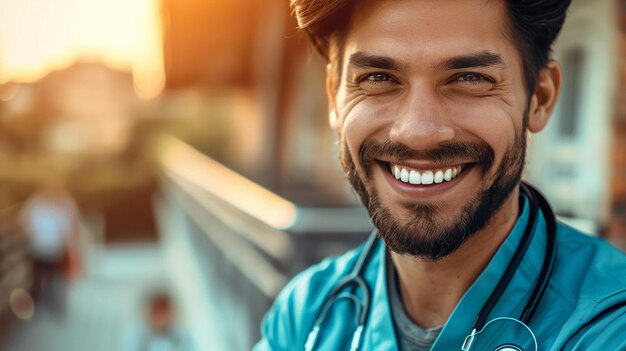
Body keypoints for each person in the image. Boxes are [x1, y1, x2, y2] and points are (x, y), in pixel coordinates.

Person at [254, 0, 626, 350]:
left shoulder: (612, 328)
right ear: (334, 93)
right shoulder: (304, 314)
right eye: (378, 77)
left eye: (469, 78)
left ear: (540, 98)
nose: (417, 131)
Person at [20, 179, 79, 315]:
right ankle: (46, 303)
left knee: (48, 277)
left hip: (51, 248)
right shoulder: (38, 202)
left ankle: (45, 303)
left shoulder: (62, 203)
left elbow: (71, 224)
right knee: (44, 277)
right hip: (42, 248)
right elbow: (25, 221)